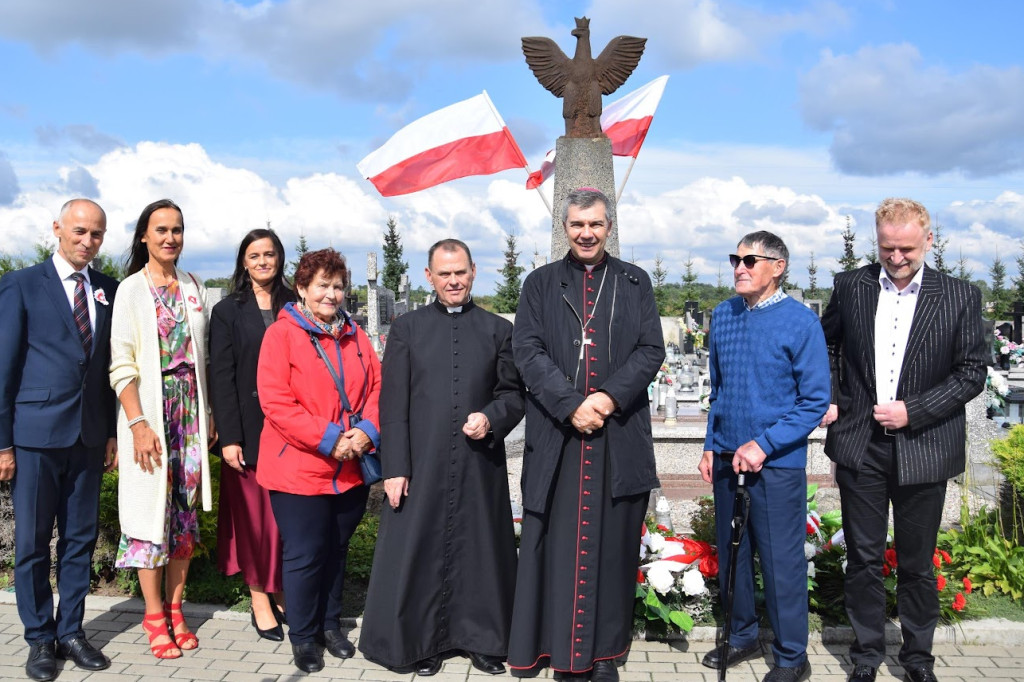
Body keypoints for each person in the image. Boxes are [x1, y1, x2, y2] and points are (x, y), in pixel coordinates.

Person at [820, 198, 986, 682]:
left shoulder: (959, 295)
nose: (896, 258)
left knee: (916, 564)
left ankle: (917, 659)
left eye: (907, 249)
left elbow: (972, 373)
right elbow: (828, 345)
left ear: (928, 240)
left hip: (926, 447)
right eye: (888, 248)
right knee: (864, 560)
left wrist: (914, 411)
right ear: (877, 240)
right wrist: (832, 397)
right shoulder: (851, 286)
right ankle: (867, 656)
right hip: (860, 444)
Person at [508, 188, 664, 682]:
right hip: (561, 439)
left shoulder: (635, 282)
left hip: (617, 440)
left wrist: (605, 399)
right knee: (557, 550)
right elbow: (528, 350)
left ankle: (602, 655)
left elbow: (650, 349)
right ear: (565, 228)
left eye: (594, 224)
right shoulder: (539, 283)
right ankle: (558, 652)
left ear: (609, 227)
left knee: (612, 552)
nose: (586, 233)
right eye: (576, 225)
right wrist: (572, 404)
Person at [359, 239, 525, 676]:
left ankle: (484, 641)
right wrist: (394, 468)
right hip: (421, 462)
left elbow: (512, 395)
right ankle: (419, 643)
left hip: (478, 463)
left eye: (461, 272)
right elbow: (392, 405)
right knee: (419, 550)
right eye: (444, 273)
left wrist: (491, 418)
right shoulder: (408, 329)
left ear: (473, 272)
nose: (454, 281)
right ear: (429, 277)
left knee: (482, 551)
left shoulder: (497, 330)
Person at [698, 232, 830, 682]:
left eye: (751, 260)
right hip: (727, 460)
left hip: (777, 465)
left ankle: (792, 656)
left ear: (778, 267)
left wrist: (765, 445)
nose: (740, 266)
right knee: (734, 555)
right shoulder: (723, 314)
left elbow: (813, 402)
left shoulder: (801, 323)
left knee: (781, 563)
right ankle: (742, 635)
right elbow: (719, 389)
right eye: (735, 258)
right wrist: (710, 444)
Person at [0, 199, 118, 681]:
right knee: (30, 543)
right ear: (57, 229)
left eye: (96, 234)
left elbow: (110, 366)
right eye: (79, 231)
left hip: (88, 435)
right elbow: (4, 368)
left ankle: (70, 631)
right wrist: (2, 442)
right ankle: (38, 639)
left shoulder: (108, 289)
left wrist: (110, 432)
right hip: (35, 436)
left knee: (78, 540)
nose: (87, 241)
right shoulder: (22, 285)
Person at [255, 248, 381, 674]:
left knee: (337, 551)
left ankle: (330, 626)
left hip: (350, 468)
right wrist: (331, 440)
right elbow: (277, 402)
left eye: (338, 286)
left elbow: (379, 388)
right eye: (323, 285)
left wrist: (366, 432)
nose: (332, 294)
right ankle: (304, 636)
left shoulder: (356, 336)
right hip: (299, 468)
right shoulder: (282, 335)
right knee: (306, 554)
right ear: (303, 289)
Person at [109, 199, 214, 660]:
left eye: (177, 229)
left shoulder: (193, 286)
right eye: (161, 230)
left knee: (183, 517)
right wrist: (137, 423)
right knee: (150, 517)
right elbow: (121, 364)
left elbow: (202, 357)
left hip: (189, 416)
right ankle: (153, 614)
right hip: (151, 414)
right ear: (143, 237)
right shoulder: (130, 290)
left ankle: (177, 608)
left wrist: (207, 413)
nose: (170, 237)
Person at [209, 228, 295, 641]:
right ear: (243, 261)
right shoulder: (227, 310)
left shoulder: (295, 303)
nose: (263, 261)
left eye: (270, 254)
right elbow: (220, 377)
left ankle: (280, 591)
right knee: (252, 521)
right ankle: (259, 598)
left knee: (281, 521)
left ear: (280, 259)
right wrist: (229, 436)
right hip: (246, 430)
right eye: (254, 255)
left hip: (291, 431)